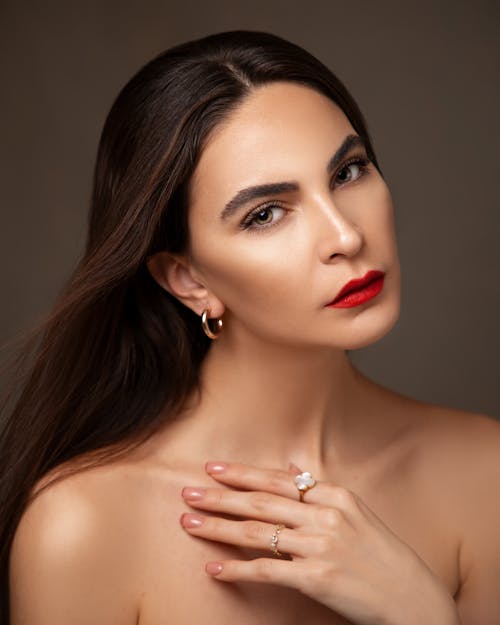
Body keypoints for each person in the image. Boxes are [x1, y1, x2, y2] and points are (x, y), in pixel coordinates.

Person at [1, 29, 499, 625]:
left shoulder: (484, 474)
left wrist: (421, 614)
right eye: (265, 214)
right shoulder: (83, 525)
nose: (346, 236)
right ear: (187, 278)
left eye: (348, 172)